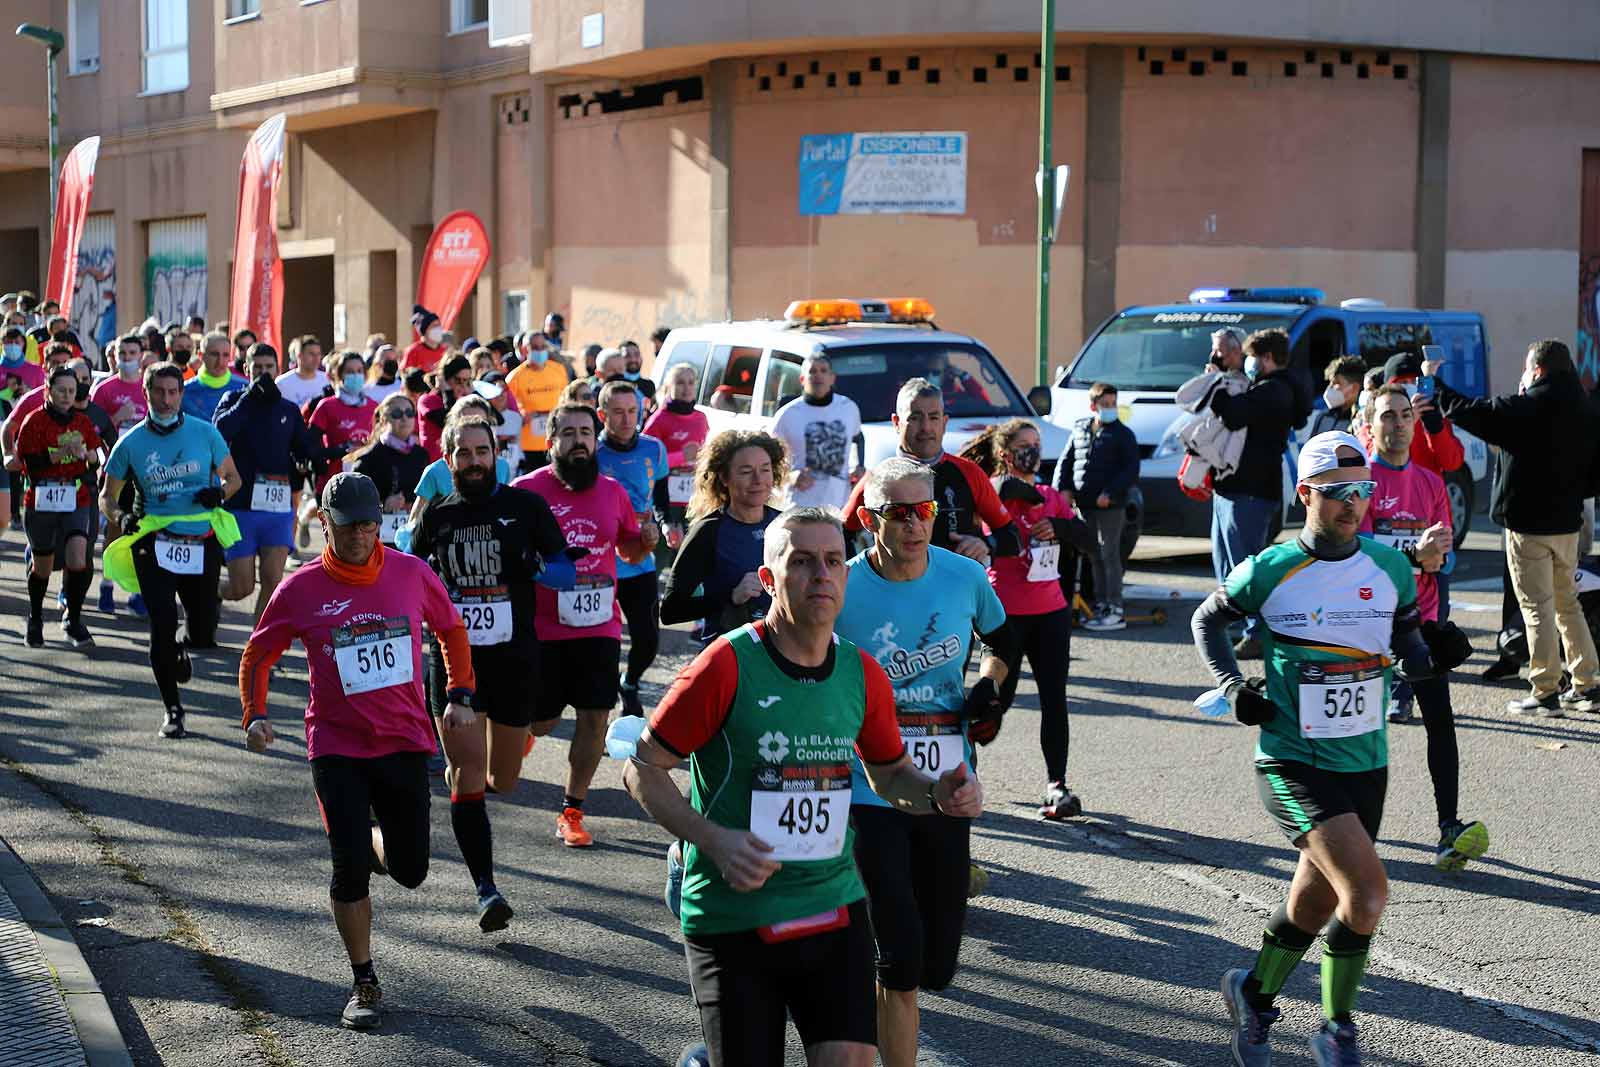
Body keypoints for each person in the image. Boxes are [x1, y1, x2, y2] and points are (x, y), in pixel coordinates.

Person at [625, 507, 984, 1067]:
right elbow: (642, 768)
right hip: (734, 914)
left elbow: (889, 774)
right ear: (769, 579)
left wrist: (938, 795)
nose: (822, 574)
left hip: (831, 905)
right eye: (803, 561)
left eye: (834, 560)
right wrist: (716, 840)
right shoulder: (723, 666)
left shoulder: (861, 673)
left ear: (848, 575)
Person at [1192, 431, 1464, 1067]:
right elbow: (1207, 620)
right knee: (1366, 894)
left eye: (1362, 491)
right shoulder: (1272, 568)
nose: (1353, 504)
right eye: (1339, 492)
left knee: (1314, 903)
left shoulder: (1391, 568)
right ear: (1307, 493)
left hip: (1366, 759)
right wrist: (1234, 688)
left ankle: (1253, 993)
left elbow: (1412, 654)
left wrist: (1439, 656)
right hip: (1291, 759)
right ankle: (1337, 1031)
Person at [238, 472, 480, 1028]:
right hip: (336, 746)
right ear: (325, 524)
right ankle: (364, 980)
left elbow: (451, 629)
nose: (361, 538)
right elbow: (258, 655)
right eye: (348, 528)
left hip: (402, 742)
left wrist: (460, 691)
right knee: (346, 869)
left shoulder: (410, 573)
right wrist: (255, 716)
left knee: (412, 870)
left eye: (370, 526)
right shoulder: (299, 588)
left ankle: (376, 844)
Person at [833, 458, 1014, 1067]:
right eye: (900, 513)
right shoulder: (844, 586)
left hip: (946, 785)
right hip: (867, 789)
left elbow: (1001, 643)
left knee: (937, 964)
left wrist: (990, 689)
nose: (915, 525)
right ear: (867, 519)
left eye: (926, 511)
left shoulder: (963, 576)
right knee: (902, 961)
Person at [410, 419, 574, 914]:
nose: (475, 461)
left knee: (503, 780)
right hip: (456, 665)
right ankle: (487, 890)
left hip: (515, 661)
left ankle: (477, 777)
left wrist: (535, 565)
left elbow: (565, 572)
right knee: (467, 776)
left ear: (497, 454)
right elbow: (406, 571)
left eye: (483, 451)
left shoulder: (525, 508)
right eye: (464, 453)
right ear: (447, 459)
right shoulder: (437, 516)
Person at [1430, 339, 1600, 715]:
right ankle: (1586, 683)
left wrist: (1434, 383)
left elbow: (1469, 412)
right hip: (1567, 524)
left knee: (1536, 607)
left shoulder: (1524, 407)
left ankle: (1544, 690)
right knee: (1567, 604)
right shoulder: (1586, 410)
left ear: (1536, 370)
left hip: (1527, 525)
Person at [510, 403, 653, 846]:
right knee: (543, 722)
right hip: (544, 629)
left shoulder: (612, 492)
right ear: (551, 440)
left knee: (595, 717)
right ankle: (527, 735)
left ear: (596, 439)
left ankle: (572, 809)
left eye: (586, 433)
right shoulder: (525, 492)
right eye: (568, 432)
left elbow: (628, 551)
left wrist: (643, 541)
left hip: (599, 625)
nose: (578, 441)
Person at [1360, 386, 1489, 869]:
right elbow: (1365, 554)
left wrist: (1433, 555)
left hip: (1420, 618)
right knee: (1363, 727)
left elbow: (1446, 556)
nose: (1397, 424)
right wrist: (1417, 552)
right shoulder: (1363, 481)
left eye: (1404, 417)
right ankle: (1354, 829)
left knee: (1441, 720)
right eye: (1387, 416)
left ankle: (1448, 827)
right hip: (1367, 621)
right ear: (1370, 425)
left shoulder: (1431, 482)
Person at [101, 362, 243, 738]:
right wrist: (121, 518)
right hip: (155, 542)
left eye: (173, 392)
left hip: (201, 542)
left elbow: (233, 478)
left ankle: (182, 648)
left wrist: (220, 492)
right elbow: (107, 497)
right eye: (159, 392)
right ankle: (173, 709)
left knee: (202, 632)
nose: (166, 400)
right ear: (145, 394)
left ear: (181, 393)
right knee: (161, 626)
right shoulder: (130, 443)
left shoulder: (205, 432)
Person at [960, 420, 1087, 818]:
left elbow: (1088, 538)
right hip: (1006, 613)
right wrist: (1030, 500)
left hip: (1050, 611)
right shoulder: (995, 493)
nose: (1033, 451)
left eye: (1037, 445)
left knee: (1054, 699)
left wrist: (1061, 527)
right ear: (1005, 453)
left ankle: (1057, 785)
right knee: (997, 701)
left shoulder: (1051, 496)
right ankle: (961, 771)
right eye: (1024, 446)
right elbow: (1001, 492)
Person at [1201, 327, 1312, 658]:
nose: (1247, 363)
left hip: (1250, 491)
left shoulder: (1276, 391)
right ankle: (1238, 623)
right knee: (1228, 563)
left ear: (1266, 358)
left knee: (1245, 566)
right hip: (1234, 487)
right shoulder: (1268, 388)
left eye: (1252, 357)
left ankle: (1259, 632)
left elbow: (1234, 416)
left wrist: (1214, 382)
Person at [841, 379, 1020, 565]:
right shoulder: (878, 479)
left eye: (933, 417)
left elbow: (1012, 537)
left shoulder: (969, 473)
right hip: (900, 589)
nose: (926, 427)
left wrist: (985, 544)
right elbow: (841, 534)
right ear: (896, 422)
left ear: (944, 422)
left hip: (957, 587)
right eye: (915, 418)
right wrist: (860, 575)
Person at [215, 343, 322, 618]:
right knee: (242, 587)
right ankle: (208, 593)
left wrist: (311, 457)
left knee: (273, 581)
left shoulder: (287, 408)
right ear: (246, 369)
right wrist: (249, 398)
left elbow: (303, 448)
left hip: (277, 507)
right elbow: (220, 430)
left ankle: (257, 651)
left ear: (278, 369)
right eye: (258, 368)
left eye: (268, 368)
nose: (263, 373)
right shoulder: (233, 400)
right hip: (240, 506)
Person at [660, 430, 785, 640]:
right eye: (746, 471)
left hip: (782, 649)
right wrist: (732, 596)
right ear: (724, 478)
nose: (758, 480)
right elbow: (671, 611)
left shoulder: (786, 525)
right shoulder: (709, 531)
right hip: (729, 653)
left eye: (765, 470)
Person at [595, 381, 670, 716]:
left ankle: (631, 681)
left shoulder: (654, 448)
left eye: (632, 412)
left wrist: (668, 523)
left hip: (641, 558)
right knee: (604, 640)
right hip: (601, 561)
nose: (627, 420)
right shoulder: (592, 454)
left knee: (648, 639)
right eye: (618, 412)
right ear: (602, 415)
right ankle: (604, 692)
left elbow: (662, 496)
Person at [15, 367, 103, 648]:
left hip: (75, 497)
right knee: (43, 567)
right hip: (41, 498)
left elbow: (94, 460)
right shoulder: (34, 422)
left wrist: (90, 458)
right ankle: (36, 616)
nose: (67, 396)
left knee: (79, 559)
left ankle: (74, 620)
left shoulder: (83, 423)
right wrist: (63, 453)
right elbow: (33, 467)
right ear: (48, 390)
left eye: (71, 391)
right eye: (61, 390)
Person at [1053, 380, 1139, 630]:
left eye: (1113, 404)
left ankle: (1115, 606)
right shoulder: (1080, 430)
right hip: (1085, 504)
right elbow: (1066, 460)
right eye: (1105, 404)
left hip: (1111, 506)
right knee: (1094, 554)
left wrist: (1110, 492)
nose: (1110, 408)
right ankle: (1100, 602)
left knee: (1108, 553)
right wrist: (1063, 490)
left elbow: (1131, 470)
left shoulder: (1123, 435)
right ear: (1093, 405)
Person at [771, 353, 865, 512]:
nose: (818, 375)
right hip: (799, 507)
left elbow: (858, 438)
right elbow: (768, 459)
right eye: (812, 371)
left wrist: (859, 466)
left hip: (839, 505)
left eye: (823, 370)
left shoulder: (848, 408)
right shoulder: (787, 414)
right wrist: (790, 477)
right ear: (802, 379)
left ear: (832, 378)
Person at [349, 393, 429, 547]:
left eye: (409, 413)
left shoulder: (421, 454)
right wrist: (382, 504)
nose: (405, 418)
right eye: (397, 414)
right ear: (385, 419)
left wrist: (414, 502)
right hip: (378, 535)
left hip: (414, 530)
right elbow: (355, 501)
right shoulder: (369, 458)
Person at [644, 362, 710, 547]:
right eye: (680, 382)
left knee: (691, 549)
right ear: (668, 387)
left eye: (691, 382)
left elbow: (702, 455)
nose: (686, 387)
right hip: (665, 495)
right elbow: (647, 460)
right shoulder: (659, 419)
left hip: (692, 495)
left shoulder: (700, 419)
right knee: (664, 551)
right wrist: (681, 456)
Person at [307, 351, 379, 496]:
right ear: (339, 375)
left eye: (359, 371)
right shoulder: (327, 406)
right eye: (350, 372)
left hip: (365, 485)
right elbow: (310, 445)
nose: (356, 375)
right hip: (332, 484)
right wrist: (342, 449)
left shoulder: (374, 406)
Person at [505, 329, 570, 472]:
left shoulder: (559, 370)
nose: (540, 351)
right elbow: (508, 412)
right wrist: (522, 417)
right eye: (535, 347)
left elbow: (567, 400)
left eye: (543, 347)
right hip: (528, 445)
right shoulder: (514, 378)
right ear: (524, 350)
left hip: (556, 440)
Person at [182, 331, 248, 421]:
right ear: (201, 355)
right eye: (214, 354)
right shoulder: (184, 392)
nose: (220, 361)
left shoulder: (244, 388)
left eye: (225, 355)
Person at [418, 354, 474, 461]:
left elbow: (496, 419)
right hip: (434, 463)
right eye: (458, 380)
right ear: (446, 378)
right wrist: (447, 392)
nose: (463, 385)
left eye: (467, 381)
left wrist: (473, 393)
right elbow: (449, 423)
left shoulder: (464, 400)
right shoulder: (427, 400)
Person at [1308, 356, 1367, 437]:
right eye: (1330, 383)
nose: (1330, 388)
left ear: (1354, 388)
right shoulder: (1324, 417)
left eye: (1336, 383)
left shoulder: (1362, 421)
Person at [276, 334, 329, 409]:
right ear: (299, 356)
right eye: (312, 354)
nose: (316, 358)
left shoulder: (328, 380)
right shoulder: (282, 383)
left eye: (318, 354)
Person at [400, 305, 447, 374]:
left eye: (439, 325)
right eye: (434, 325)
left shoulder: (445, 351)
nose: (438, 328)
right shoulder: (413, 351)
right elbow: (405, 375)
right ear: (425, 330)